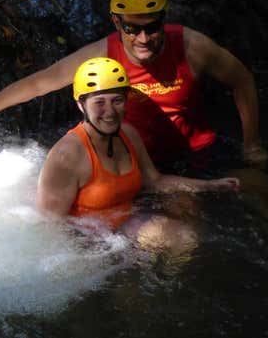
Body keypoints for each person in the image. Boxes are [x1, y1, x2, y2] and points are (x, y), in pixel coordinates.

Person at [0, 0, 268, 170]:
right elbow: (44, 81)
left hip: (200, 149)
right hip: (143, 163)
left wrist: (251, 143)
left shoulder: (191, 46)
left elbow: (242, 81)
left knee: (260, 188)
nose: (143, 39)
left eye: (152, 28)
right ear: (116, 21)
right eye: (132, 28)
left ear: (163, 18)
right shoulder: (102, 53)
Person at [37, 57, 239, 249]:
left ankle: (166, 282)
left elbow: (154, 181)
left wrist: (210, 186)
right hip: (89, 240)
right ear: (81, 105)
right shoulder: (66, 156)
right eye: (99, 102)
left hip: (125, 223)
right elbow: (51, 227)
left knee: (186, 235)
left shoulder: (129, 134)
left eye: (117, 100)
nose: (110, 111)